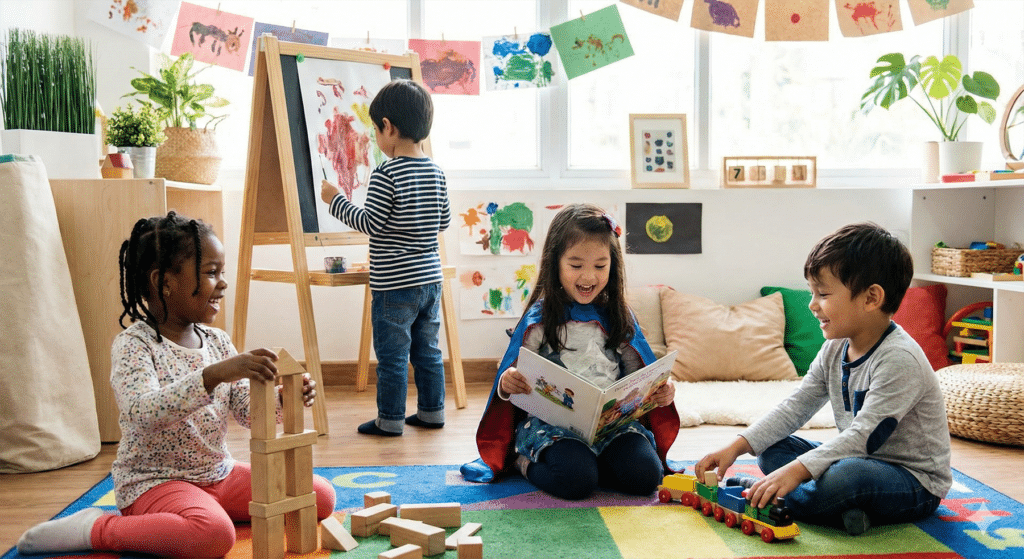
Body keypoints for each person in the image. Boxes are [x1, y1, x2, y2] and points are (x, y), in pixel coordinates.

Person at [17, 212, 336, 559]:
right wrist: (212, 375)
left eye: (221, 272)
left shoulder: (216, 341)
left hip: (219, 473)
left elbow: (246, 412)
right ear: (163, 281)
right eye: (211, 272)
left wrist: (283, 398)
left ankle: (200, 510)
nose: (223, 283)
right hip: (155, 481)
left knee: (318, 495)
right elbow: (143, 413)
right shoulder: (134, 345)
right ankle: (96, 528)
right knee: (211, 535)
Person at [695, 222, 951, 536]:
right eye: (812, 293)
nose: (812, 304)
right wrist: (735, 447)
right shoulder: (834, 347)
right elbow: (795, 408)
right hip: (855, 458)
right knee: (771, 449)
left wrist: (798, 470)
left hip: (912, 482)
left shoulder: (899, 358)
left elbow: (863, 437)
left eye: (823, 294)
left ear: (871, 298)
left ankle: (768, 495)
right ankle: (840, 510)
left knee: (846, 478)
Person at [460, 203, 680, 500]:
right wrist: (506, 382)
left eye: (600, 266)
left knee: (647, 477)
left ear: (612, 266)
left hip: (610, 426)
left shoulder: (618, 314)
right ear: (556, 263)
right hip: (552, 426)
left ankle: (595, 462)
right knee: (576, 482)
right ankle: (523, 461)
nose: (588, 277)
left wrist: (661, 391)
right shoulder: (541, 317)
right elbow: (514, 371)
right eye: (576, 265)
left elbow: (639, 371)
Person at [320, 79, 451, 437]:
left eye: (376, 129)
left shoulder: (386, 172)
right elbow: (445, 221)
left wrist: (334, 199)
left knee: (394, 356)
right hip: (430, 281)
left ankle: (390, 419)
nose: (377, 137)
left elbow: (369, 223)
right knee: (427, 350)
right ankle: (432, 412)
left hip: (394, 285)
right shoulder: (436, 172)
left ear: (388, 127)